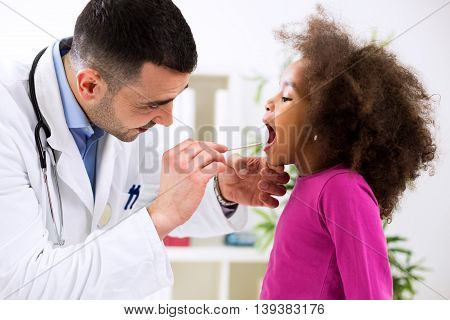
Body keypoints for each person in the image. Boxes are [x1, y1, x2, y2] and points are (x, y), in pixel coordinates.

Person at [0, 0, 289, 299]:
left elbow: (145, 197)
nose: (166, 120)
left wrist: (219, 191)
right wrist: (160, 218)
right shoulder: (7, 121)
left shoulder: (127, 113)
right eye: (153, 105)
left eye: (175, 98)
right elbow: (21, 288)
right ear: (89, 86)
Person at [259, 8, 436, 299]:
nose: (269, 101)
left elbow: (370, 298)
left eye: (286, 96)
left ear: (323, 118)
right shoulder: (310, 184)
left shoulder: (342, 189)